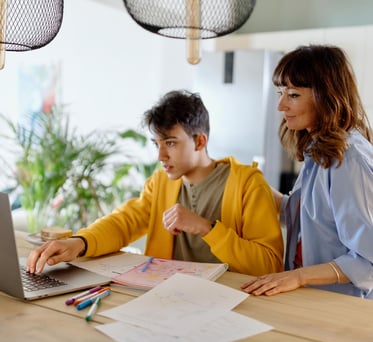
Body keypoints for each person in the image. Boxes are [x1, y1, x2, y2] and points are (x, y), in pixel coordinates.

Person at [27, 90, 284, 276]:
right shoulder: (160, 183)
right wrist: (79, 243)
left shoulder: (249, 184)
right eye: (157, 144)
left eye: (170, 143)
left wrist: (206, 228)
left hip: (235, 303)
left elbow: (269, 264)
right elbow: (123, 223)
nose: (161, 156)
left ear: (200, 142)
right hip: (169, 299)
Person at [241, 45, 373, 299]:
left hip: (344, 305)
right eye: (281, 93)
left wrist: (299, 276)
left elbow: (367, 260)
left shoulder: (348, 160)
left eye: (293, 95)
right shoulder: (319, 151)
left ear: (326, 95)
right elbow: (306, 218)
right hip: (317, 298)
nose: (280, 105)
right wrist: (247, 183)